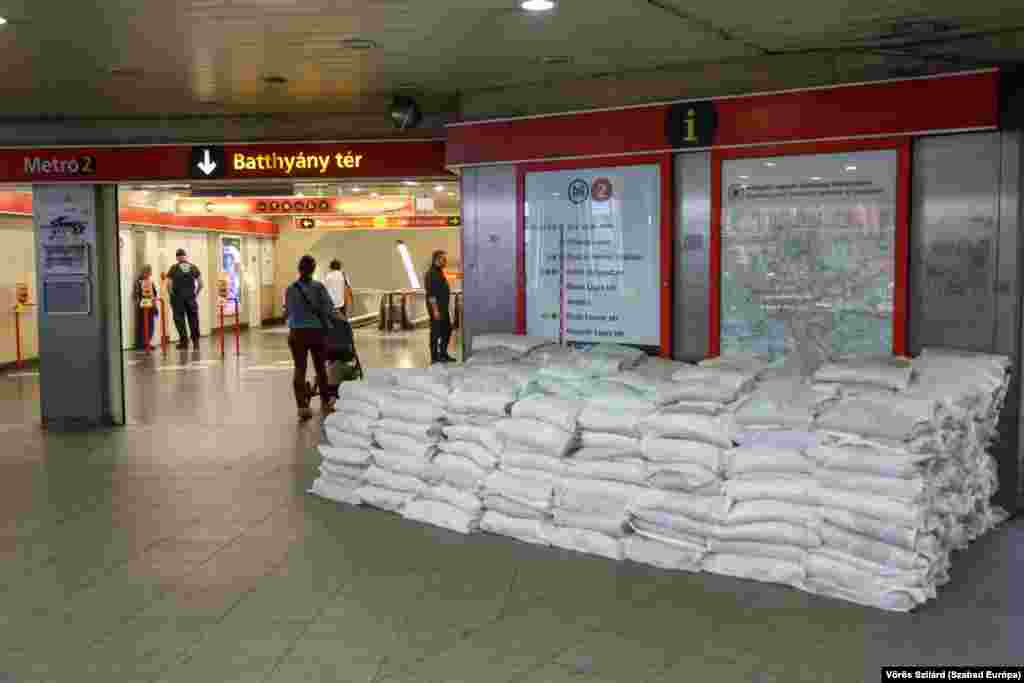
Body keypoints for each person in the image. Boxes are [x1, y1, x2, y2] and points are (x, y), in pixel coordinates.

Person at [284, 255, 336, 421]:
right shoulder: (318, 287)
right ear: (313, 270)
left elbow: (288, 311)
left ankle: (302, 407)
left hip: (296, 333)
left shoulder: (291, 288)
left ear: (299, 269)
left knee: (300, 369)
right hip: (316, 332)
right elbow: (329, 307)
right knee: (320, 367)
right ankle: (326, 400)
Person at [167, 248, 203, 350]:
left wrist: (172, 295)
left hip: (178, 299)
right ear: (185, 256)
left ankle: (184, 342)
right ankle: (196, 343)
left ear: (177, 257)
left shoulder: (173, 268)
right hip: (191, 298)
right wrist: (195, 294)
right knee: (194, 319)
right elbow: (201, 284)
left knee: (179, 320)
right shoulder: (193, 267)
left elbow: (169, 285)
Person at [424, 249, 455, 364]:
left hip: (443, 308)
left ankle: (443, 353)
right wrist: (435, 311)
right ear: (437, 259)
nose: (445, 261)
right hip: (436, 309)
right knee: (436, 332)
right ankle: (435, 358)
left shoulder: (439, 271)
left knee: (447, 330)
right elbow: (431, 295)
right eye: (443, 259)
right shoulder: (431, 274)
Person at [132, 265, 159, 350]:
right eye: (148, 272)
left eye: (149, 272)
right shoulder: (138, 282)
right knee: (142, 325)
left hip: (150, 305)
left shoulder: (150, 282)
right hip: (142, 306)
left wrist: (155, 306)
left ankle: (147, 342)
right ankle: (141, 343)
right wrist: (138, 302)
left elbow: (154, 295)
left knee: (150, 325)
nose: (149, 274)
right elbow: (136, 295)